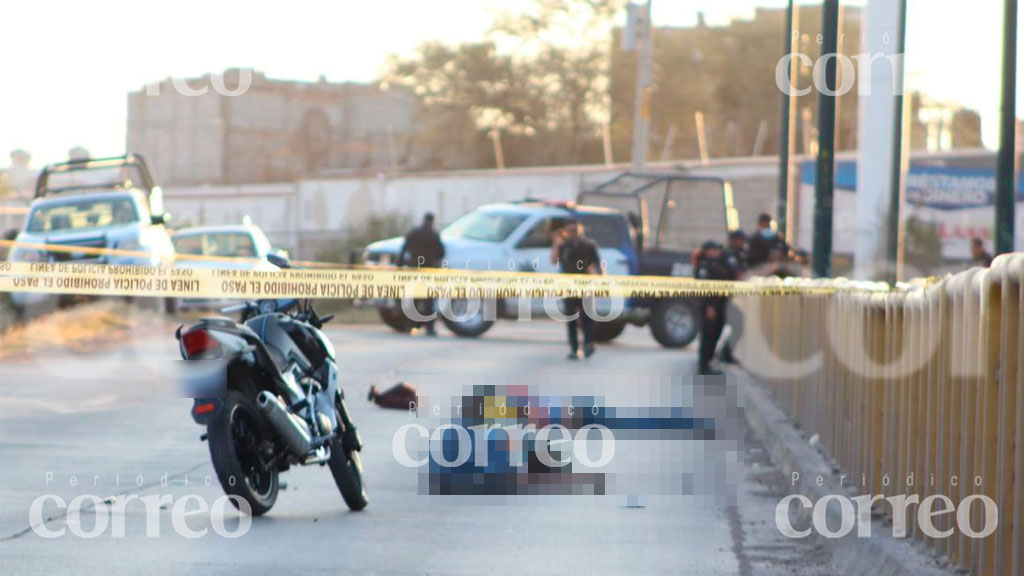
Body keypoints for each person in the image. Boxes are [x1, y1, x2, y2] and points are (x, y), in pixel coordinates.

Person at [551, 219, 602, 360]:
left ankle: (589, 344)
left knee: (587, 317)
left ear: (581, 230)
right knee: (570, 318)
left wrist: (601, 282)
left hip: (586, 285)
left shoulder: (589, 245)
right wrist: (556, 242)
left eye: (575, 230)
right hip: (568, 285)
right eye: (570, 231)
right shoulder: (564, 246)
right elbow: (554, 260)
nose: (573, 233)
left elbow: (598, 265)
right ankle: (574, 348)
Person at [695, 240, 739, 375]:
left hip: (722, 304)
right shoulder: (703, 266)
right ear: (706, 251)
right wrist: (709, 306)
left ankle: (712, 361)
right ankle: (703, 366)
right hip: (710, 305)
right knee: (708, 335)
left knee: (716, 334)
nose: (716, 252)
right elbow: (705, 289)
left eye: (717, 249)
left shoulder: (721, 262)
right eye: (712, 250)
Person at [399, 213, 446, 336]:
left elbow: (403, 249)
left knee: (414, 300)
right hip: (429, 271)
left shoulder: (414, 233)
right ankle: (429, 329)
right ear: (432, 221)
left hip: (415, 269)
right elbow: (441, 252)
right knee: (429, 302)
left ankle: (411, 326)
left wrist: (399, 265)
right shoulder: (434, 235)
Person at [720, 231, 748, 365]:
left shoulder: (742, 254)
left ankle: (727, 353)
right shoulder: (728, 255)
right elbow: (737, 273)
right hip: (724, 298)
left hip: (735, 297)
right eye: (740, 240)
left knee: (739, 324)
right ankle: (724, 353)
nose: (742, 243)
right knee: (737, 324)